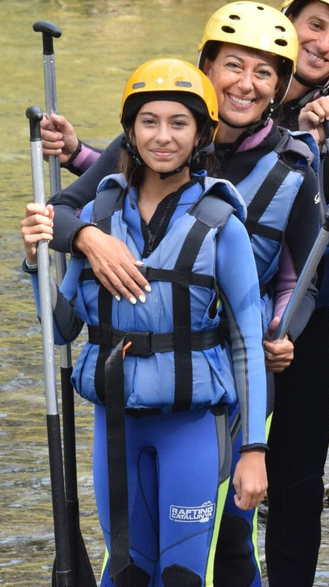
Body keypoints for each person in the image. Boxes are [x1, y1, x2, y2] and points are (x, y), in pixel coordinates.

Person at [41, 1, 324, 585]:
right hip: (122, 406)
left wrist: (281, 333)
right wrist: (73, 241)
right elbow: (66, 222)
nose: (246, 83)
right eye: (233, 65)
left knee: (217, 552)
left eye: (264, 72)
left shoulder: (283, 174)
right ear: (207, 67)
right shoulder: (115, 191)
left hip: (214, 385)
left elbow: (302, 278)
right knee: (128, 567)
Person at [21, 58, 269, 586]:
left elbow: (248, 343)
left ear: (201, 134)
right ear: (130, 132)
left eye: (179, 123)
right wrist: (34, 263)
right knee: (128, 572)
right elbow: (60, 329)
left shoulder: (222, 225)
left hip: (192, 429)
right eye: (148, 122)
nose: (162, 136)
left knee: (181, 576)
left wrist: (253, 450)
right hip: (117, 429)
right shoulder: (97, 218)